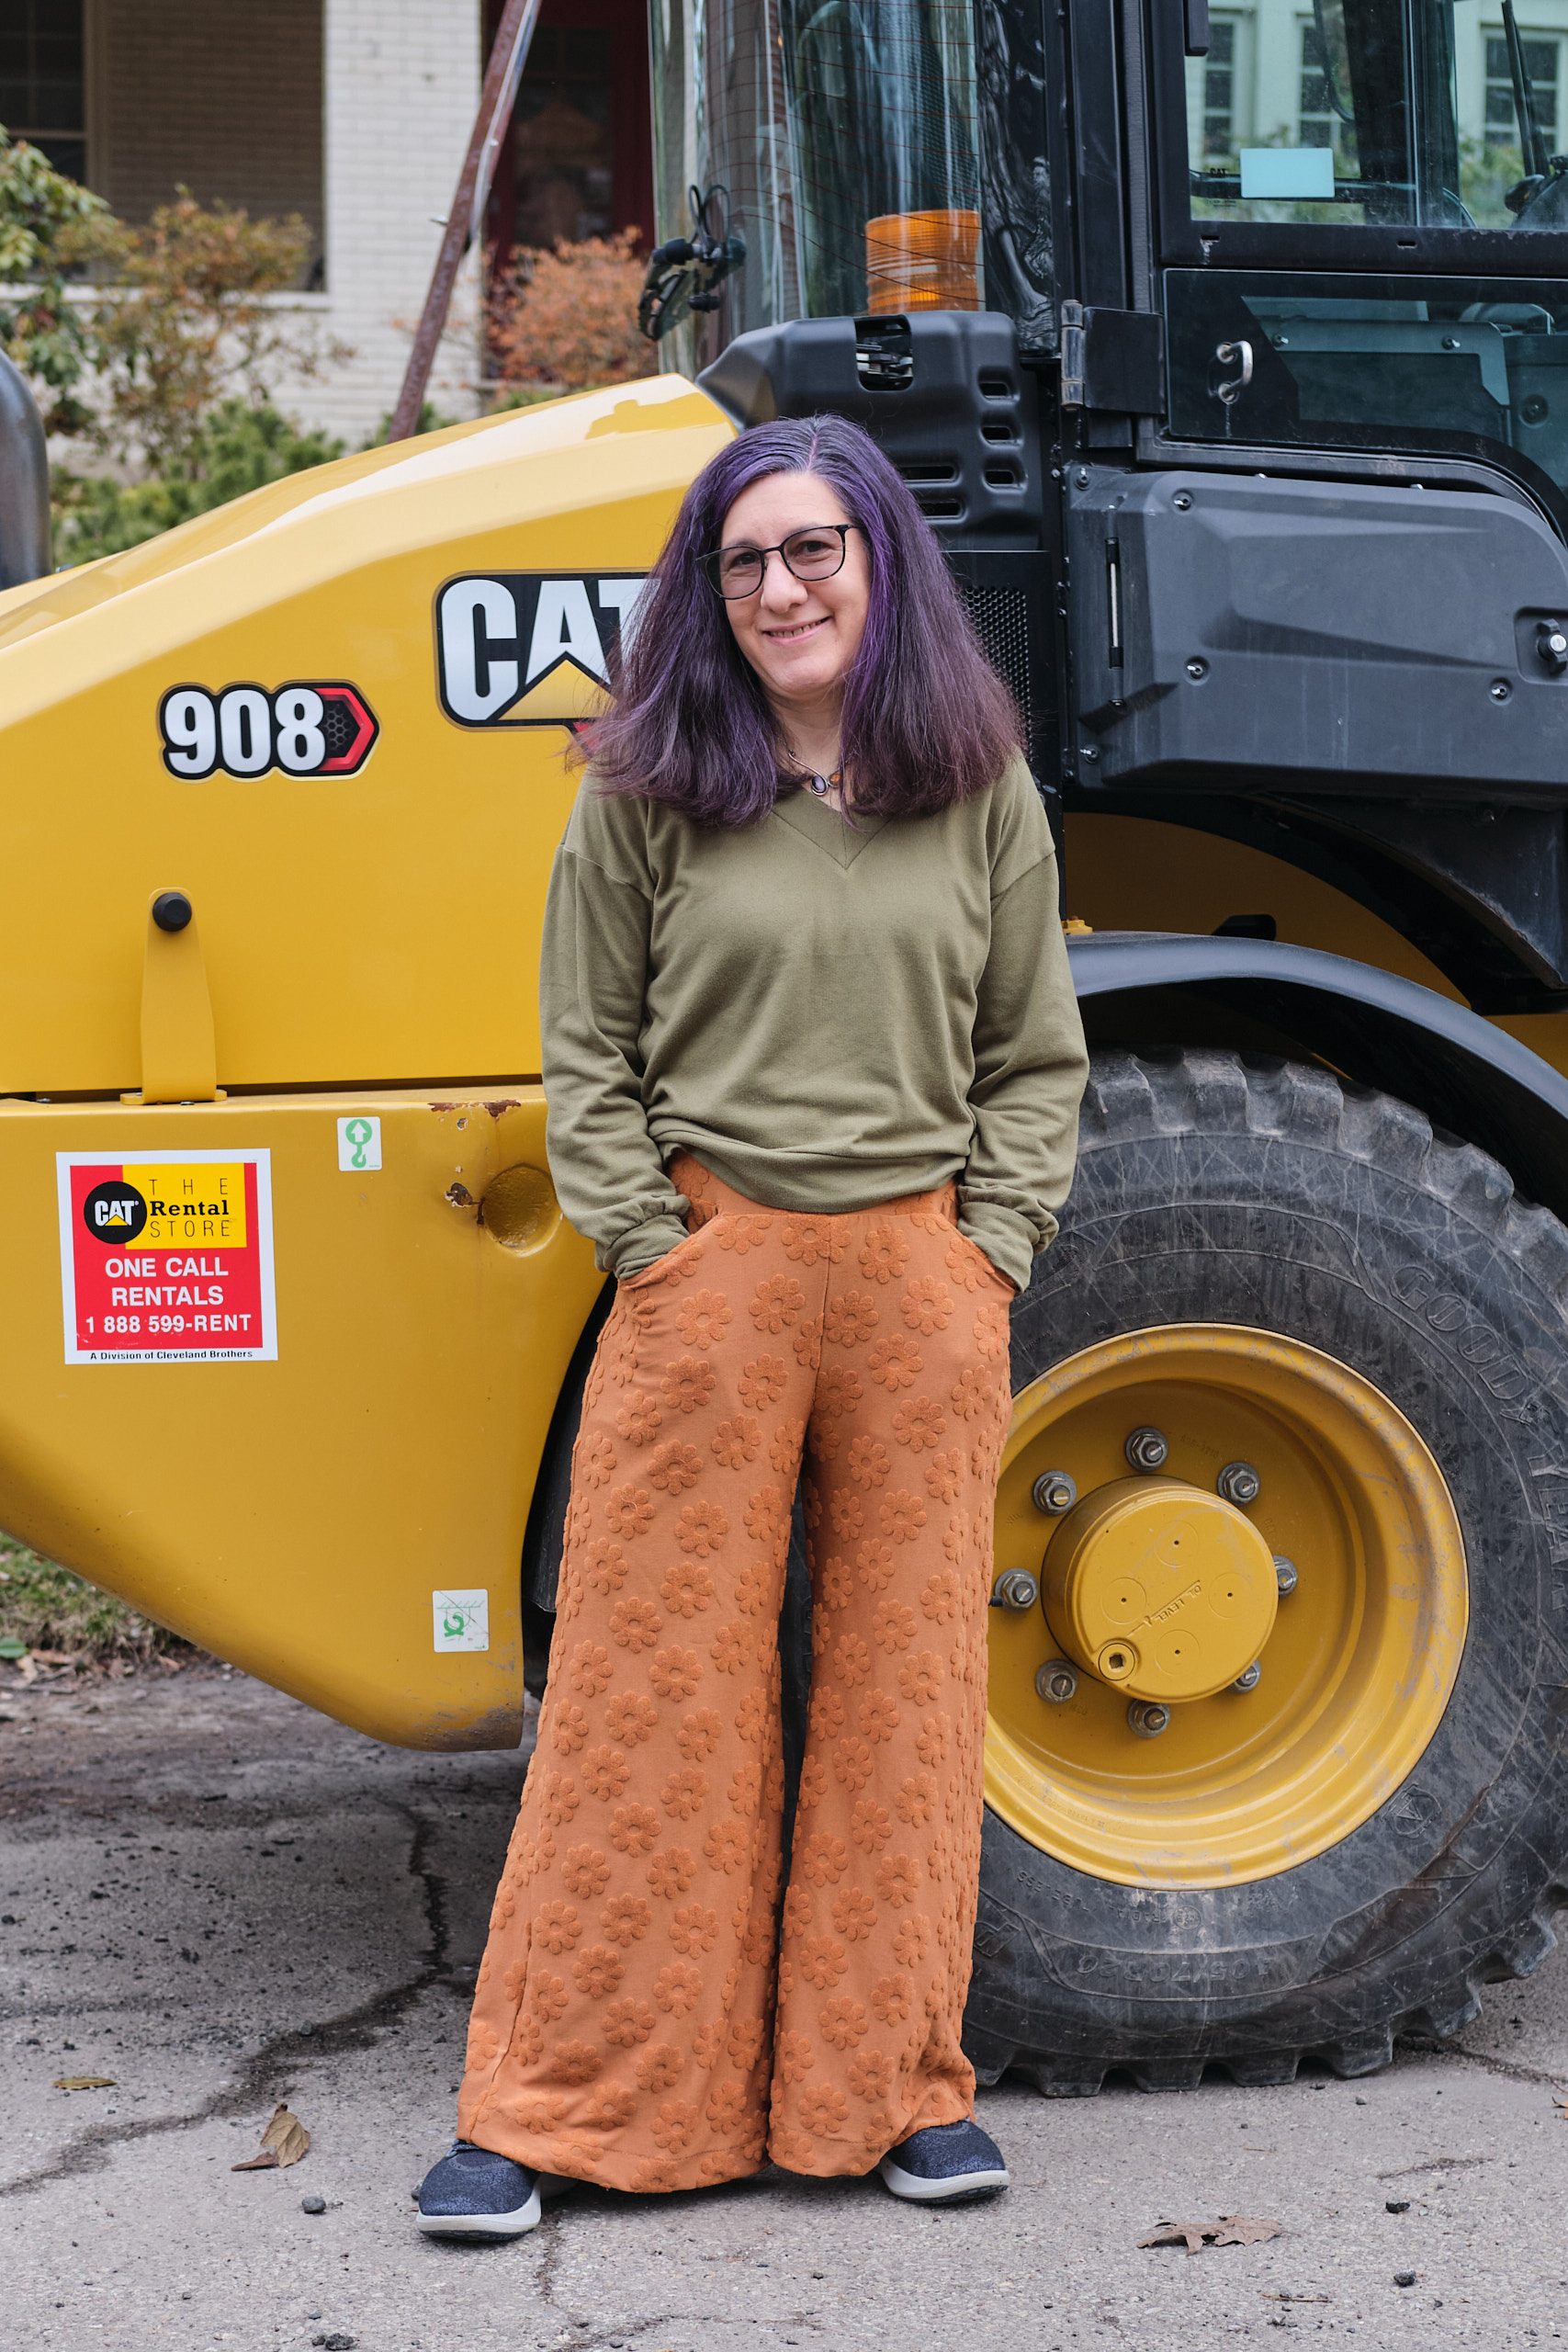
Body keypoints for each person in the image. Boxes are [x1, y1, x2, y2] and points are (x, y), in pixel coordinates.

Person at [417, 413, 1089, 2238]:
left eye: (814, 550)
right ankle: (566, 2107)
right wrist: (655, 1247)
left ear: (880, 565)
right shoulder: (647, 787)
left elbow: (1033, 1053)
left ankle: (887, 2094)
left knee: (904, 1695)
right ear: (708, 596)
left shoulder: (978, 788)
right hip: (711, 1270)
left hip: (917, 1281)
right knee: (650, 1692)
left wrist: (989, 1250)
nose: (782, 588)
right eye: (745, 562)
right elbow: (585, 1050)